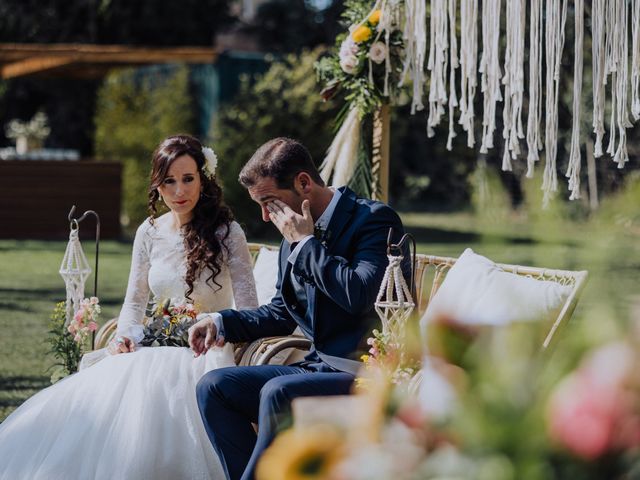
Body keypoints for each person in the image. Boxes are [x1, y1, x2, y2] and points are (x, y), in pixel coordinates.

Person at [0, 134, 258, 480]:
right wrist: (124, 335)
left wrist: (220, 329)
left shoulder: (228, 233)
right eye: (169, 181)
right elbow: (134, 302)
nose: (179, 191)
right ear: (157, 184)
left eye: (188, 179)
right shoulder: (148, 232)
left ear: (204, 179)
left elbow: (248, 308)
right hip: (151, 344)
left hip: (206, 351)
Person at [190, 137, 405, 480]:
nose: (265, 215)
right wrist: (219, 321)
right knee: (214, 387)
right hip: (317, 367)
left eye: (269, 201)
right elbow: (280, 313)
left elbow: (360, 294)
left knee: (279, 392)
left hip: (364, 373)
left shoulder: (374, 220)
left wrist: (305, 244)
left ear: (304, 183)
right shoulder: (291, 236)